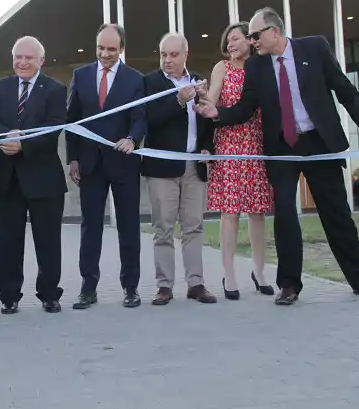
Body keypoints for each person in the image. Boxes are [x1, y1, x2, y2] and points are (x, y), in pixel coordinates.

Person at [195, 7, 359, 306]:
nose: (252, 41)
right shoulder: (257, 67)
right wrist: (216, 113)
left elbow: (344, 89)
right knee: (285, 212)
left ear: (274, 31)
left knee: (335, 212)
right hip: (282, 147)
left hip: (319, 142)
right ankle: (289, 284)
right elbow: (245, 107)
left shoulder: (315, 47)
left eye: (255, 35)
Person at [0, 36, 67, 314]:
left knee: (48, 240)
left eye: (29, 58)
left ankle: (50, 294)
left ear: (41, 60)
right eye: (18, 57)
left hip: (44, 178)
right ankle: (9, 296)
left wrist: (24, 143)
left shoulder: (54, 89)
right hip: (7, 178)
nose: (23, 62)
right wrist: (6, 136)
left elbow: (55, 127)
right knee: (8, 241)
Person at [66, 23, 147, 309]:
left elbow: (140, 117)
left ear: (121, 49)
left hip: (123, 162)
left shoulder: (135, 79)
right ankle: (88, 288)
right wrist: (73, 158)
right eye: (101, 48)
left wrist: (133, 139)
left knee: (128, 227)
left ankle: (131, 288)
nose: (105, 54)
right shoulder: (81, 75)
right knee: (91, 227)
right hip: (89, 164)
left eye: (111, 49)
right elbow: (72, 120)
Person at [141, 33, 216, 306]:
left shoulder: (196, 80)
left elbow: (207, 121)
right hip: (162, 166)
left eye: (173, 55)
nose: (168, 60)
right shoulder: (149, 82)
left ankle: (195, 283)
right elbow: (148, 121)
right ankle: (164, 286)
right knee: (162, 227)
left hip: (194, 164)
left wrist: (207, 147)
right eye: (164, 55)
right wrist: (178, 102)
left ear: (185, 54)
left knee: (193, 226)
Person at [205, 22, 274, 300]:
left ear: (250, 39)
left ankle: (259, 271)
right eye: (227, 40)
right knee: (230, 211)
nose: (230, 44)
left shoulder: (261, 68)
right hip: (230, 144)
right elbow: (210, 102)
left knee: (258, 211)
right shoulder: (223, 68)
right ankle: (229, 273)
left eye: (235, 39)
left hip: (257, 145)